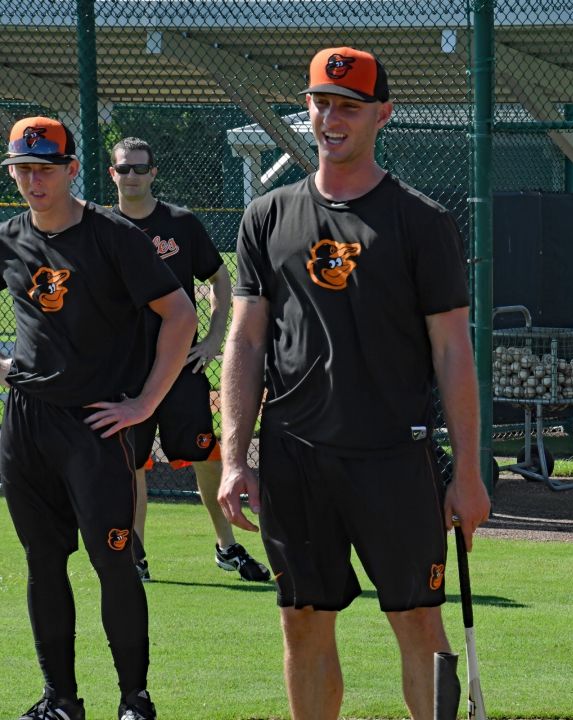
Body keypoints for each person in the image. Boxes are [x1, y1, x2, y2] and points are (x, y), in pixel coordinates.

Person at [217, 46, 490, 720]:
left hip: (396, 458)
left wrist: (470, 474)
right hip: (295, 457)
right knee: (303, 622)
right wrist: (233, 456)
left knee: (419, 627)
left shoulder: (421, 221)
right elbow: (246, 341)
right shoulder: (268, 216)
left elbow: (454, 352)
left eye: (349, 106)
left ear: (382, 114)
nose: (331, 117)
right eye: (321, 103)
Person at [0, 117, 196, 720]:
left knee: (113, 560)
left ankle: (134, 699)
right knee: (41, 562)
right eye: (22, 169)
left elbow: (181, 315)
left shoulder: (112, 236)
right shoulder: (9, 236)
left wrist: (145, 403)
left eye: (45, 168)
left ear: (72, 169)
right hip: (26, 422)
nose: (34, 180)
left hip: (96, 424)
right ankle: (59, 700)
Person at [108, 136, 270, 584]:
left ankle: (228, 547)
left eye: (141, 168)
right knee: (132, 464)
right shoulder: (100, 226)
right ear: (112, 174)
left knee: (206, 456)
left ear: (154, 172)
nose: (133, 176)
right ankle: (135, 555)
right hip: (125, 372)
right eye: (124, 169)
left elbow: (220, 277)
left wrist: (215, 337)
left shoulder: (180, 223)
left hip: (182, 368)